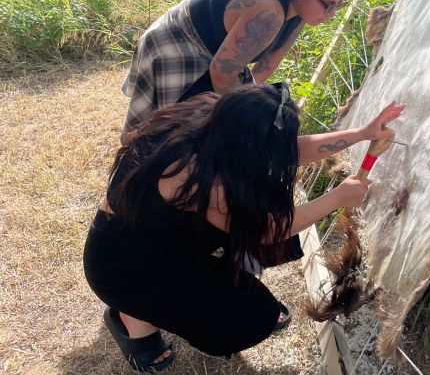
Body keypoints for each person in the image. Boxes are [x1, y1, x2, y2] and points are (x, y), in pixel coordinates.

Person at [84, 83, 404, 371]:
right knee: (253, 319)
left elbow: (286, 151)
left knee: (252, 267)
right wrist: (338, 197)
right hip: (122, 268)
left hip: (160, 244)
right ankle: (132, 315)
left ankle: (159, 301)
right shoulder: (199, 179)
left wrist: (363, 133)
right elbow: (268, 230)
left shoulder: (218, 119)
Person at [121, 0, 352, 140]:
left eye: (338, 5)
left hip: (215, 52)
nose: (331, 14)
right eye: (327, 5)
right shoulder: (267, 11)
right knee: (162, 130)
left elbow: (265, 66)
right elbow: (222, 73)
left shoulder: (301, 12)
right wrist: (237, 125)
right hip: (180, 40)